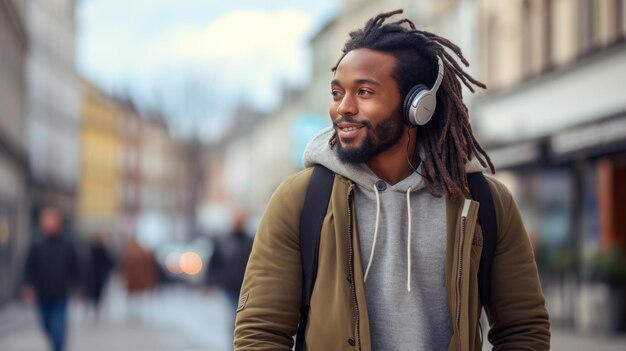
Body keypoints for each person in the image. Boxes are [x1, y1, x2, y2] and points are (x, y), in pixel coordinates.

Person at [234, 10, 550, 351]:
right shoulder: (300, 198)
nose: (343, 108)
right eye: (338, 93)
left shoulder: (484, 201)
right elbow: (260, 333)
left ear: (418, 106)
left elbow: (524, 329)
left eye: (364, 92)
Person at [23, 206, 79, 351]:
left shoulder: (67, 242)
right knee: (46, 325)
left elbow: (75, 267)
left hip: (60, 293)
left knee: (58, 328)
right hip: (42, 293)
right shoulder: (36, 242)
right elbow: (28, 266)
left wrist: (78, 287)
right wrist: (28, 285)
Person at [206, 209, 254, 322]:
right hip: (230, 285)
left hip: (247, 285)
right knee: (236, 312)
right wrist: (209, 283)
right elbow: (214, 262)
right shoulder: (223, 241)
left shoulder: (251, 241)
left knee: (244, 313)